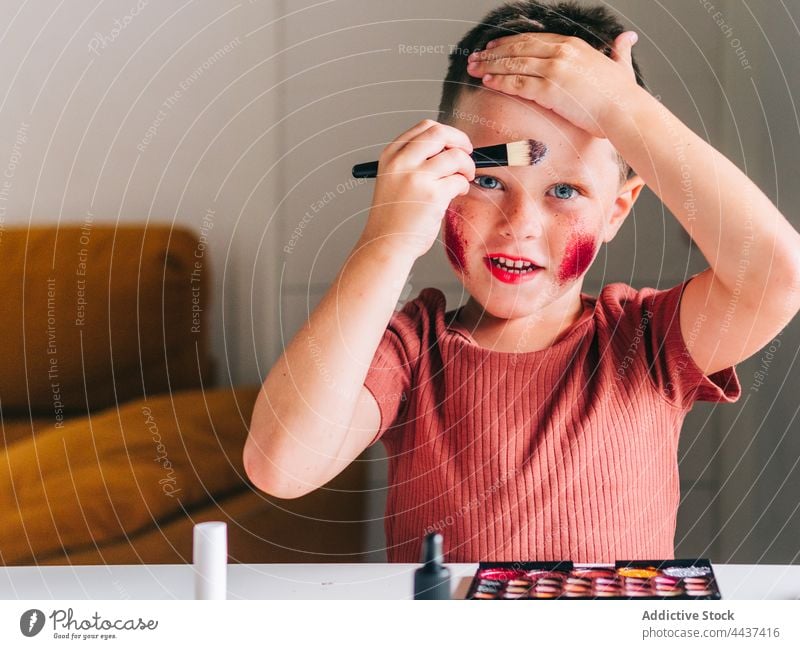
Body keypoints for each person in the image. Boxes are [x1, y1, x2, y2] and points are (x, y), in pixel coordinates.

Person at [244, 1, 800, 562]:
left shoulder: (646, 340)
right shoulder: (410, 353)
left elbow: (777, 276)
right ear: (442, 183)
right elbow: (282, 464)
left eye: (564, 191)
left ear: (615, 211)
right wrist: (387, 238)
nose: (521, 225)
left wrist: (622, 108)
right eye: (487, 180)